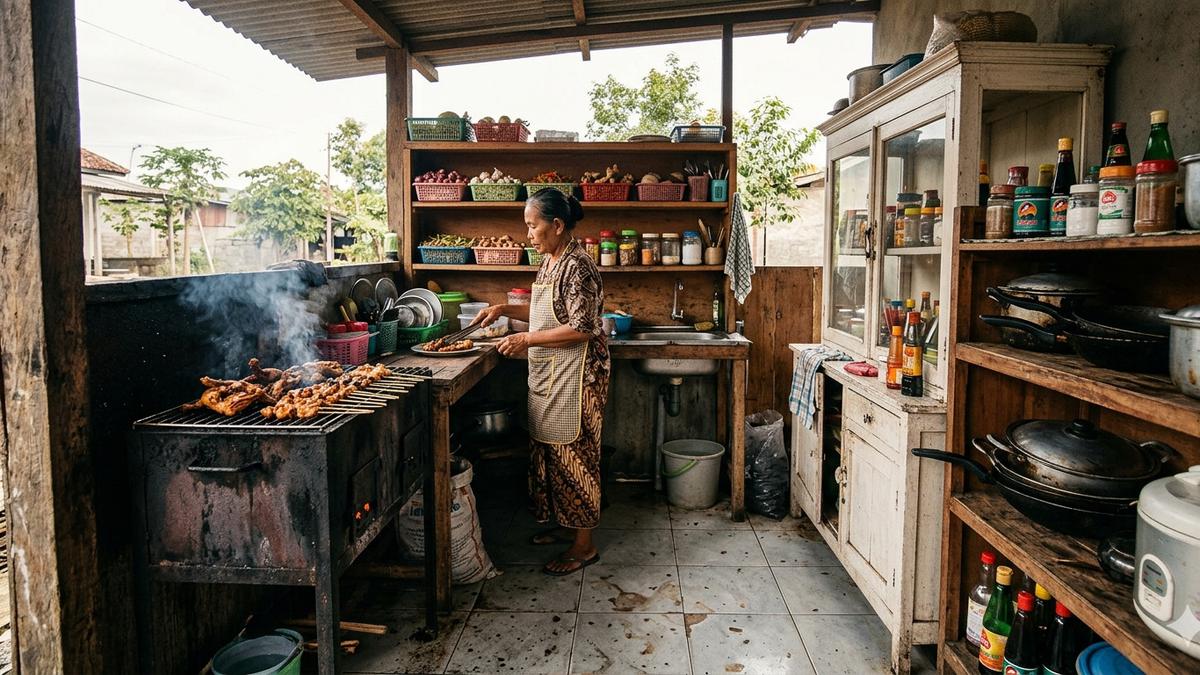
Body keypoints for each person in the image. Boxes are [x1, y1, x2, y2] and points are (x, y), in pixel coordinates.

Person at [471, 189, 610, 576]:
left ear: (557, 225)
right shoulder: (551, 261)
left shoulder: (578, 265)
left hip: (578, 377)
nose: (528, 234)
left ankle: (584, 546)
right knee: (550, 454)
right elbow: (544, 311)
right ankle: (567, 528)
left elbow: (582, 327)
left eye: (533, 226)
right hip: (553, 374)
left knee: (575, 457)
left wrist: (526, 339)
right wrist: (502, 308)